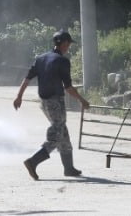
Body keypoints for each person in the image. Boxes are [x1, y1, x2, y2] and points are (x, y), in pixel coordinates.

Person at [13, 30, 90, 181]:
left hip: (44, 102)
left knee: (62, 131)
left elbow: (27, 78)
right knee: (56, 134)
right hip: (55, 102)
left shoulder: (40, 58)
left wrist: (19, 96)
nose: (68, 47)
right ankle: (33, 161)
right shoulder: (62, 61)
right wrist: (82, 100)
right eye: (68, 44)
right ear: (63, 43)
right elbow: (68, 88)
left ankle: (69, 168)